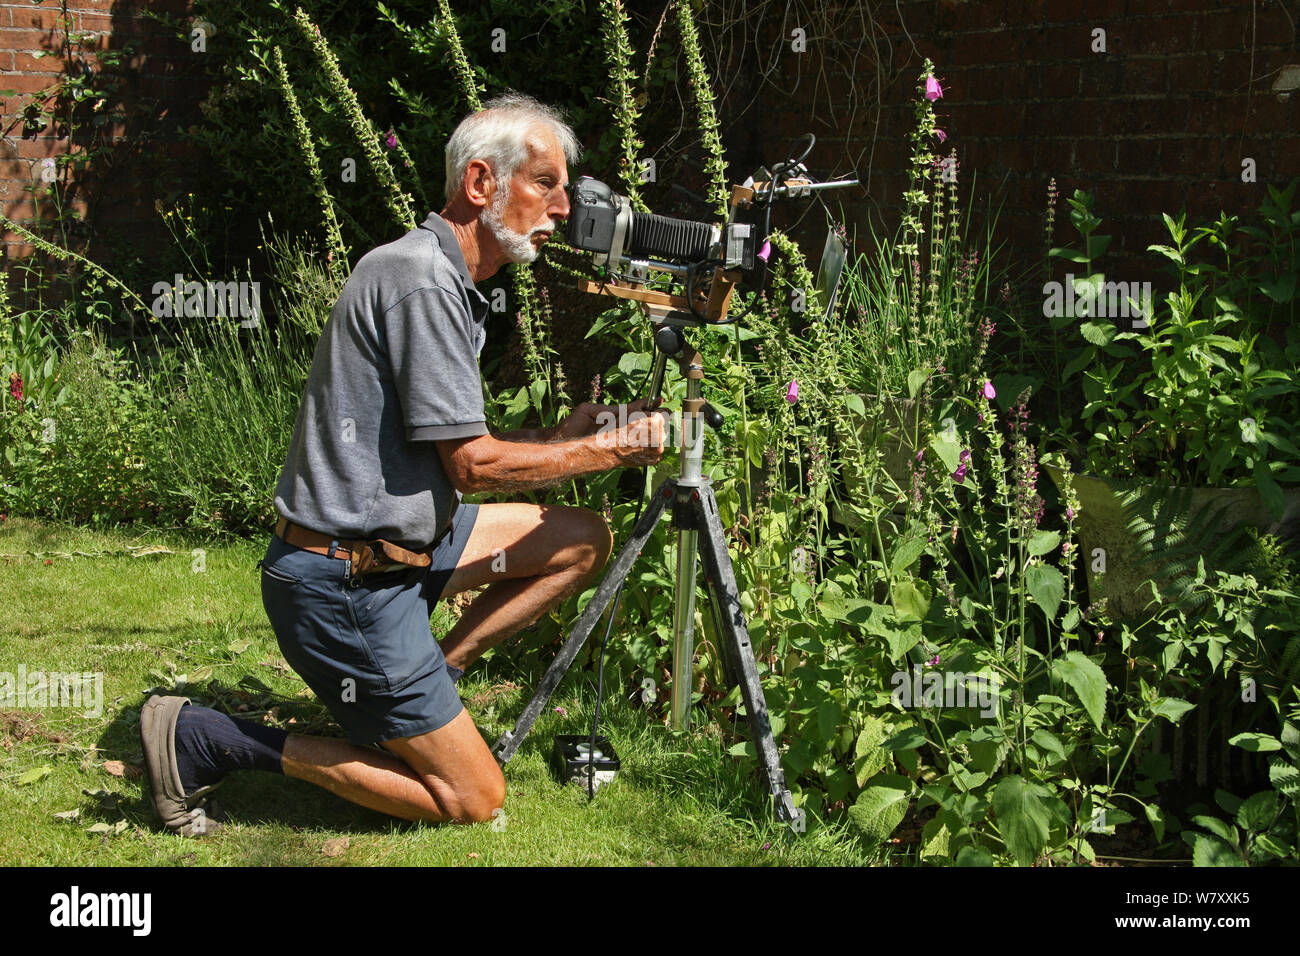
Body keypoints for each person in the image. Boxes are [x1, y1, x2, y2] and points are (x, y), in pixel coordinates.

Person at [139, 93, 669, 836]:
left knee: (580, 537)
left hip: (402, 547)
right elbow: (473, 467)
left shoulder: (444, 278)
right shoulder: (420, 282)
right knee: (474, 799)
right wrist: (606, 447)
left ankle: (427, 677)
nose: (562, 208)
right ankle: (205, 738)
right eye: (544, 183)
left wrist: (560, 435)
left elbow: (444, 441)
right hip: (344, 581)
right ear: (481, 184)